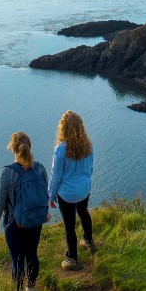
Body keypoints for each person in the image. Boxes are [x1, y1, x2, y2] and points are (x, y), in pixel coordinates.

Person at [0, 131, 50, 291]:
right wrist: (45, 212)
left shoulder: (7, 172)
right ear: (29, 147)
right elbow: (45, 192)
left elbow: (1, 200)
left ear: (13, 149)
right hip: (35, 221)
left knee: (17, 261)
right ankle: (30, 289)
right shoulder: (39, 167)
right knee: (32, 254)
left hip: (14, 222)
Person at [48, 110, 96, 271]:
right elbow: (90, 168)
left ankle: (72, 259)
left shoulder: (61, 149)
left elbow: (56, 176)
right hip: (84, 189)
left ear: (63, 128)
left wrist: (51, 195)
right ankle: (89, 241)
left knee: (69, 225)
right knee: (83, 212)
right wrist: (85, 182)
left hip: (67, 193)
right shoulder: (88, 145)